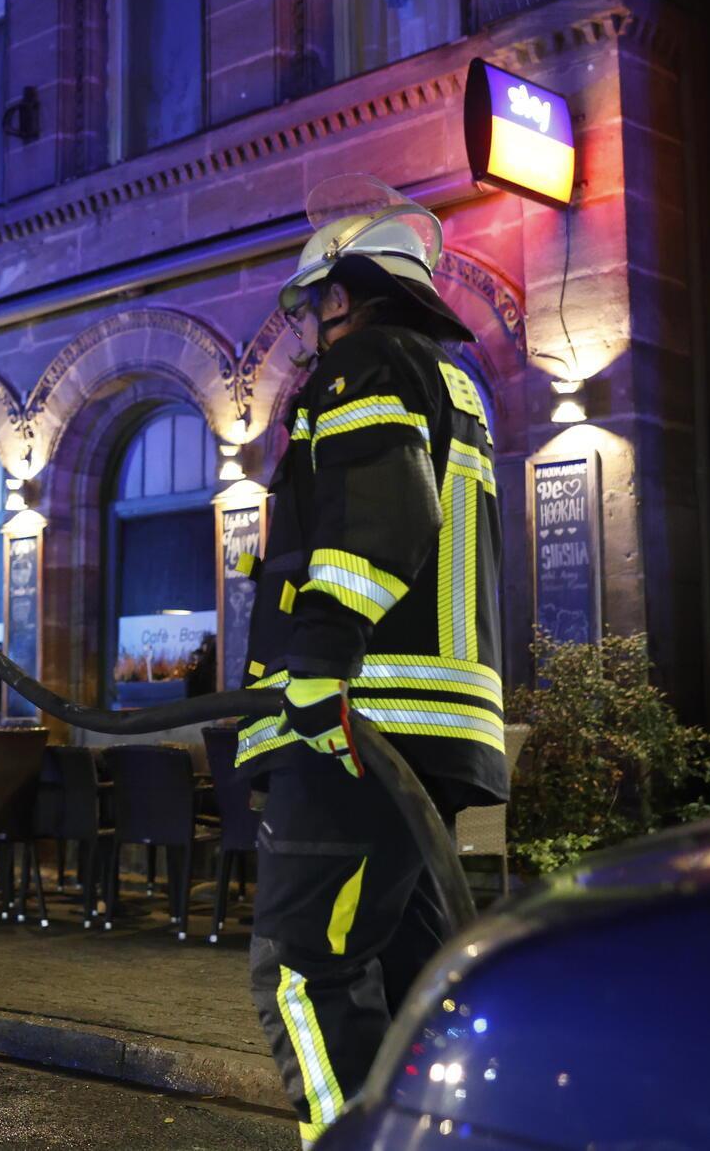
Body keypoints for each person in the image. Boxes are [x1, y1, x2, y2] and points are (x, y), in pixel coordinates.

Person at [235, 176, 509, 1146]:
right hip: (428, 736)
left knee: (299, 974)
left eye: (313, 308)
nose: (310, 328)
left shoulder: (364, 368)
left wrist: (313, 663)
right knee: (411, 983)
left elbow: (382, 522)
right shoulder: (454, 386)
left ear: (341, 296)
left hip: (352, 724)